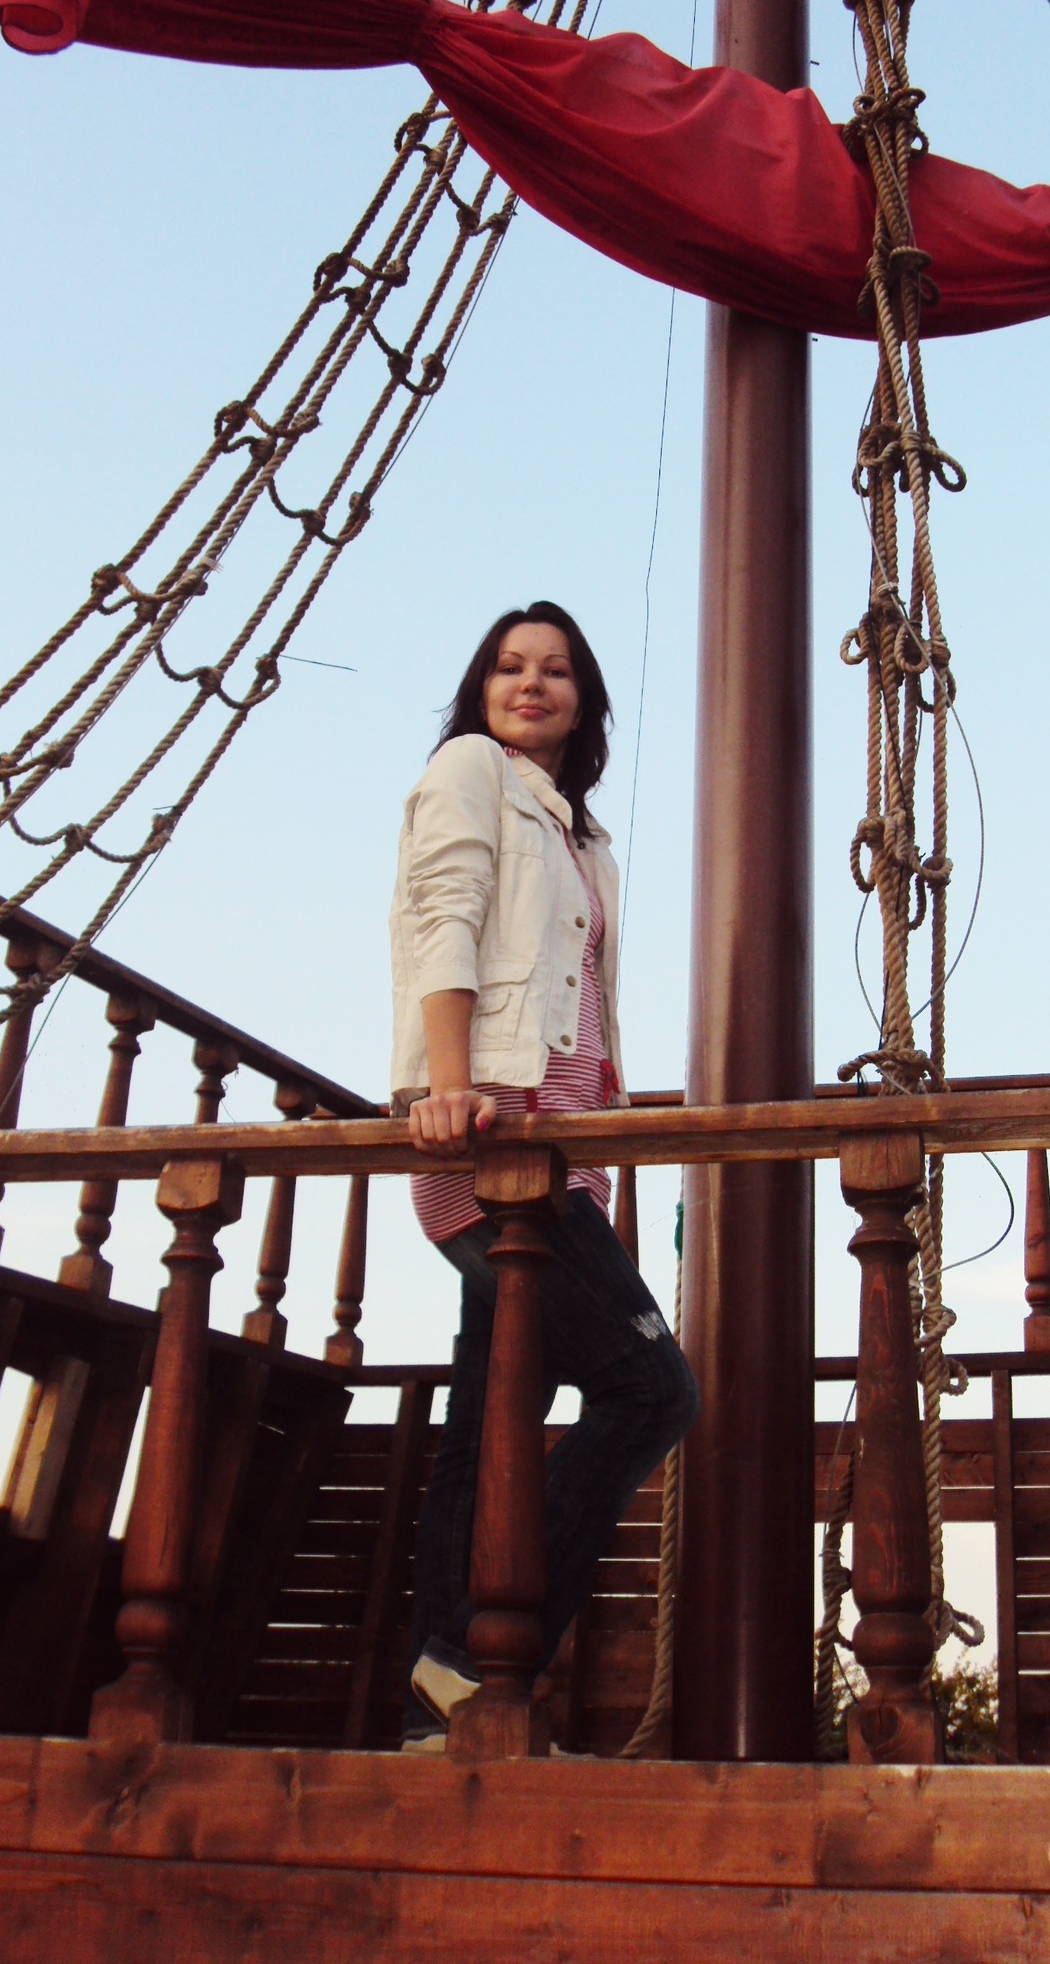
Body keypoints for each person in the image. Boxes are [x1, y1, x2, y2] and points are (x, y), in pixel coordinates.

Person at [389, 601, 699, 1750]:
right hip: (494, 1145)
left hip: (567, 1159)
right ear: (481, 689)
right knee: (652, 1389)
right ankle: (475, 1656)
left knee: (488, 1423)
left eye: (557, 669)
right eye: (511, 666)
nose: (532, 683)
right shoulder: (470, 772)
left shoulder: (585, 839)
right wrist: (447, 1085)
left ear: (584, 702)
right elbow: (445, 918)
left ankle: (439, 1704)